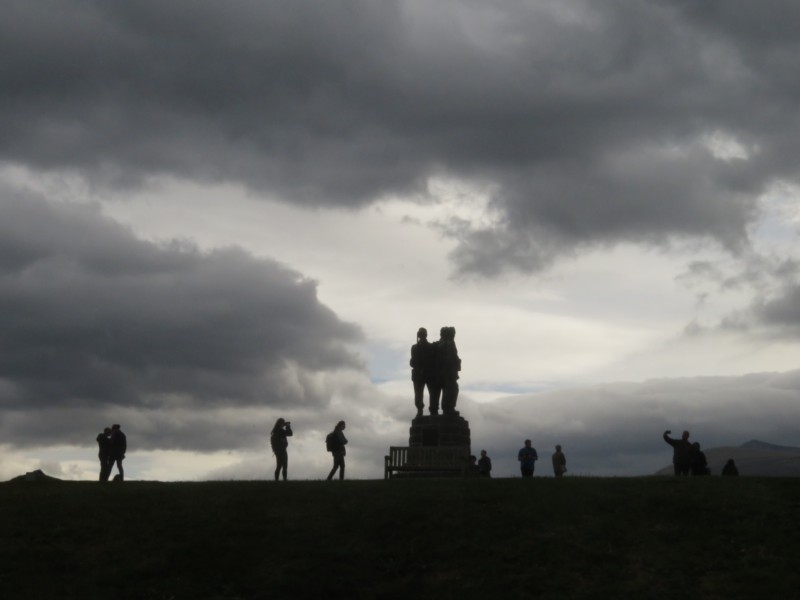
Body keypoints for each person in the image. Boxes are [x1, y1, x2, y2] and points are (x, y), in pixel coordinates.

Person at [410, 327, 433, 417]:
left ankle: (430, 409)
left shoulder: (417, 347)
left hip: (427, 373)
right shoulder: (415, 347)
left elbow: (412, 362)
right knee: (419, 394)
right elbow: (413, 362)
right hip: (420, 374)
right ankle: (422, 409)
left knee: (430, 393)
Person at [440, 326, 461, 415]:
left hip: (450, 372)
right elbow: (448, 358)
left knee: (453, 389)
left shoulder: (450, 343)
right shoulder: (445, 344)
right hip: (447, 372)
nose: (453, 335)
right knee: (449, 389)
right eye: (452, 334)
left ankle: (449, 408)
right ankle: (447, 408)